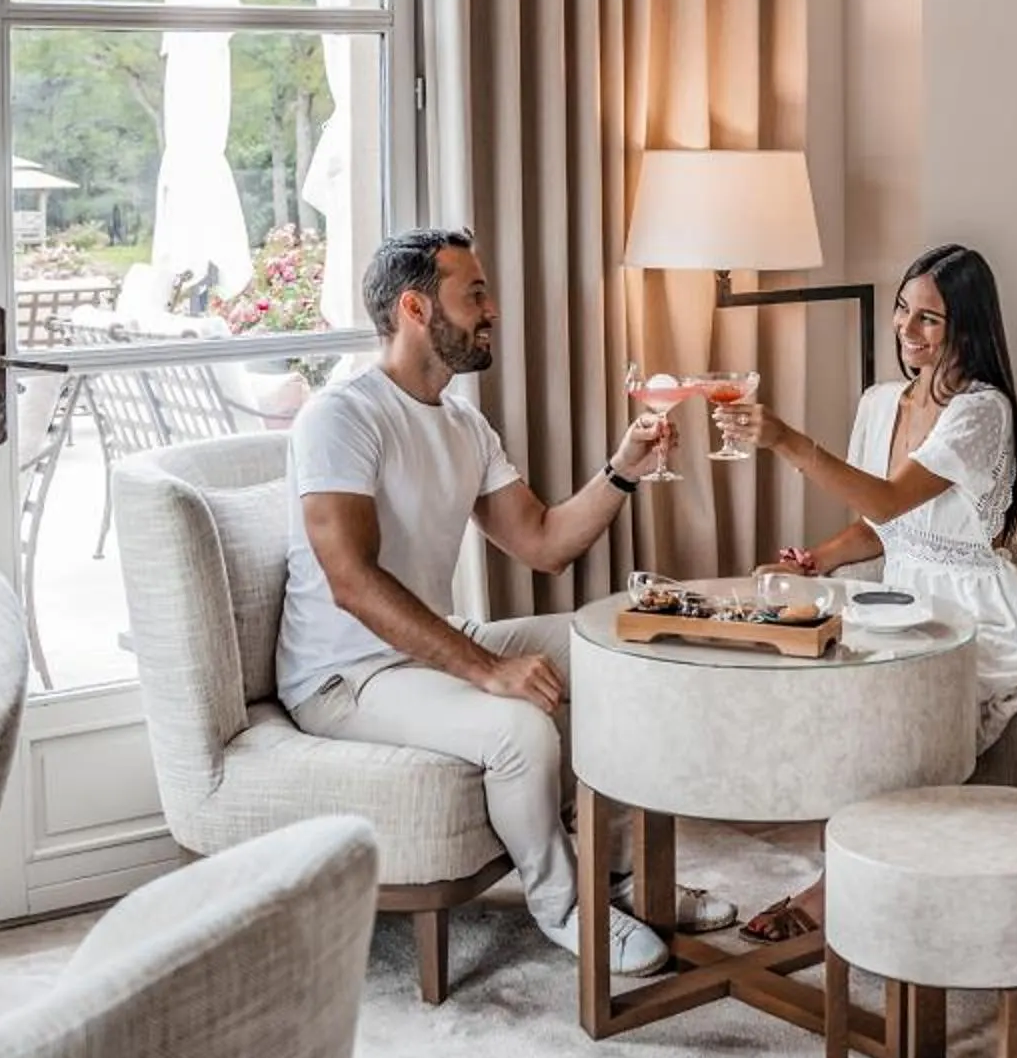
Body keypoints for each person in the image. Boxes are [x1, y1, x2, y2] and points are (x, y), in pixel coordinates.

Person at [277, 227, 714, 978]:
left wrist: (623, 469)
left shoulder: (462, 423)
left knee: (628, 649)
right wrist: (485, 670)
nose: (493, 310)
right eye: (473, 293)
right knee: (520, 729)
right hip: (345, 675)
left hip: (427, 643)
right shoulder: (341, 417)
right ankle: (566, 908)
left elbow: (542, 542)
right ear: (416, 307)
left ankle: (626, 876)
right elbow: (350, 581)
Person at [727, 242, 1017, 941]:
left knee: (885, 714)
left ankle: (838, 892)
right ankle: (861, 866)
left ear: (966, 329)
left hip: (978, 614)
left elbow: (887, 501)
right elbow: (881, 529)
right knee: (820, 683)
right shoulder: (881, 403)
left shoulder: (982, 412)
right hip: (901, 595)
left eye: (929, 321)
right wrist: (818, 560)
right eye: (902, 312)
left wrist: (788, 440)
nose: (907, 333)